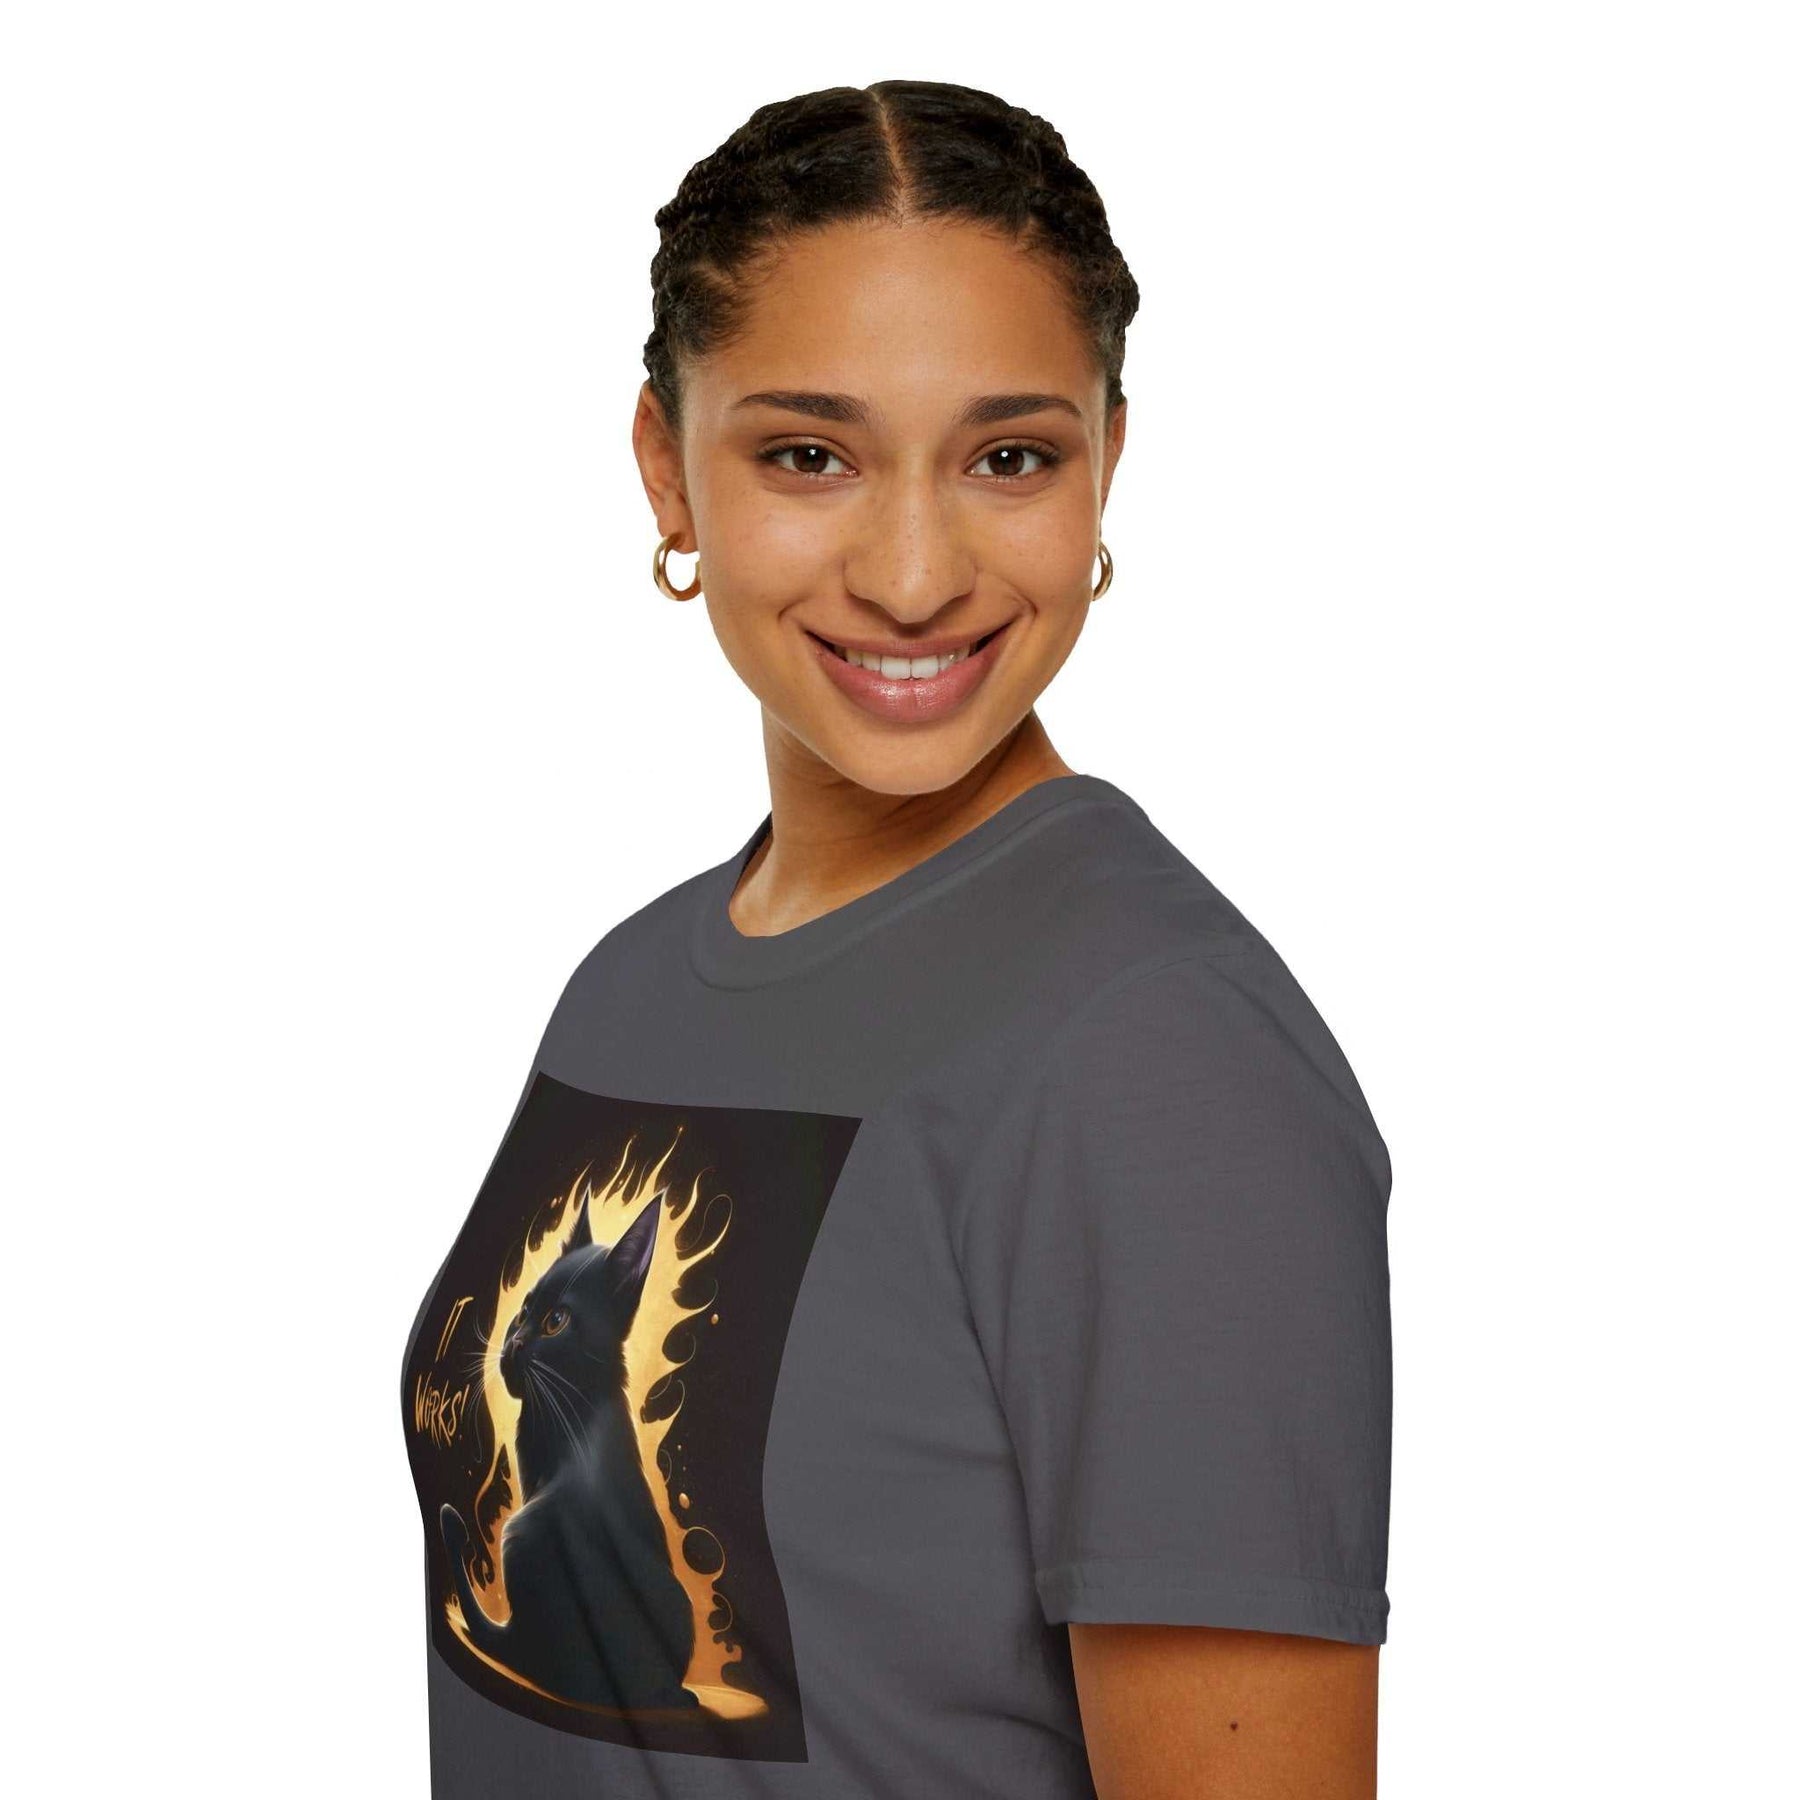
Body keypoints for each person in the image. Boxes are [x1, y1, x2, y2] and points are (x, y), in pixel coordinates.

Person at [399, 79, 1392, 1799]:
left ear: (1107, 465)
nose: (916, 573)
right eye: (809, 455)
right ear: (667, 467)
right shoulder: (627, 986)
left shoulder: (1163, 1064)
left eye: (1011, 457)